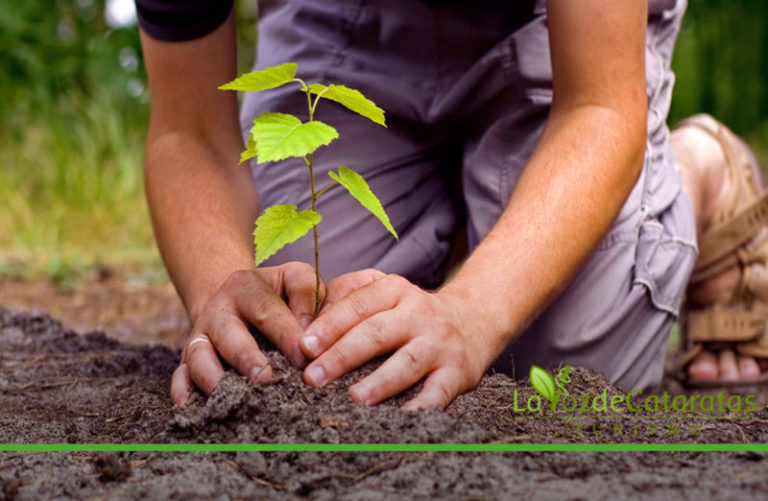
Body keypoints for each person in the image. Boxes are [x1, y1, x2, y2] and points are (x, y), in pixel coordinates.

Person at [136, 0, 767, 410]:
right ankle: (473, 199)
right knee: (303, 337)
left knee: (558, 377)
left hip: (562, 26)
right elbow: (187, 131)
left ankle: (696, 170)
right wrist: (222, 285)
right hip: (345, 19)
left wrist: (472, 315)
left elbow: (599, 106)